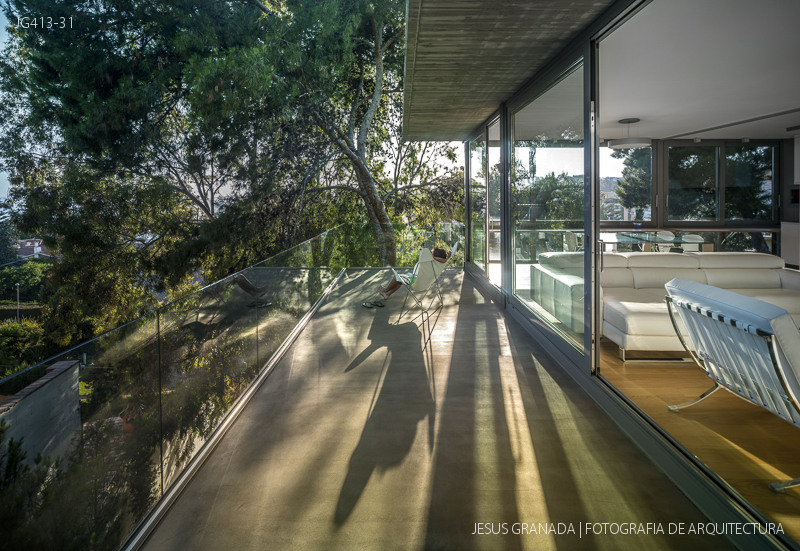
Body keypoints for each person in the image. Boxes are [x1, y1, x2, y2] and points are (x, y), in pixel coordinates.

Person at [378, 247, 451, 300]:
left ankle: (385, 291)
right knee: (401, 279)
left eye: (433, 254)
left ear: (435, 256)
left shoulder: (430, 263)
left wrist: (434, 258)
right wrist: (447, 256)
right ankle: (387, 294)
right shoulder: (440, 264)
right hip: (426, 284)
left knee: (397, 277)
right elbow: (444, 260)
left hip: (416, 283)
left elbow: (439, 259)